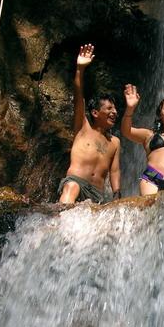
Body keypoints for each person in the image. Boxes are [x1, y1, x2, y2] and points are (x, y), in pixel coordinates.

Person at [57, 43, 121, 206]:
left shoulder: (115, 142)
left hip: (96, 194)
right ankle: (61, 213)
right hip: (76, 182)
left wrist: (117, 193)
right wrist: (80, 69)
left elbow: (114, 170)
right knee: (71, 187)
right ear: (95, 113)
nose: (114, 112)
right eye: (109, 109)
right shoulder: (83, 127)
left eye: (115, 109)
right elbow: (79, 97)